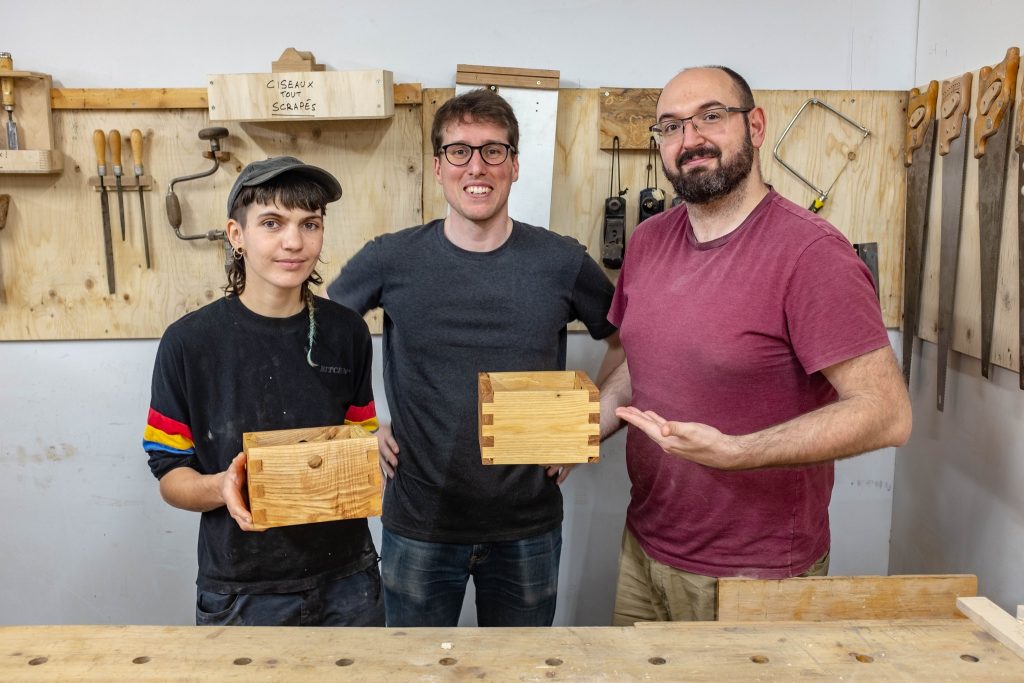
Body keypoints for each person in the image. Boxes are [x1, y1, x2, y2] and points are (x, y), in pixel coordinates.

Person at [599, 66, 912, 623]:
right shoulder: (647, 242)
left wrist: (736, 453)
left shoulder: (812, 254)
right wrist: (582, 430)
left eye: (711, 117)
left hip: (756, 574)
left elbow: (887, 413)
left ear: (757, 126)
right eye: (671, 126)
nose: (690, 139)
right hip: (645, 547)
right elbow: (636, 363)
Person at [327, 88, 617, 627]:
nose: (476, 166)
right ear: (439, 167)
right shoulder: (392, 258)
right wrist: (355, 426)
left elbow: (629, 344)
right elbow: (317, 337)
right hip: (419, 523)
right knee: (413, 666)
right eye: (459, 151)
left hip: (527, 528)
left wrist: (587, 428)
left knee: (521, 666)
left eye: (493, 150)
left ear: (514, 165)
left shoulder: (561, 261)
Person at [143, 156, 385, 627]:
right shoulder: (189, 343)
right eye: (272, 223)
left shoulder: (347, 332)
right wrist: (221, 486)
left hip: (348, 582)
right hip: (242, 591)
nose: (294, 242)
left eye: (309, 224)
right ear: (236, 235)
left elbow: (360, 441)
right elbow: (170, 474)